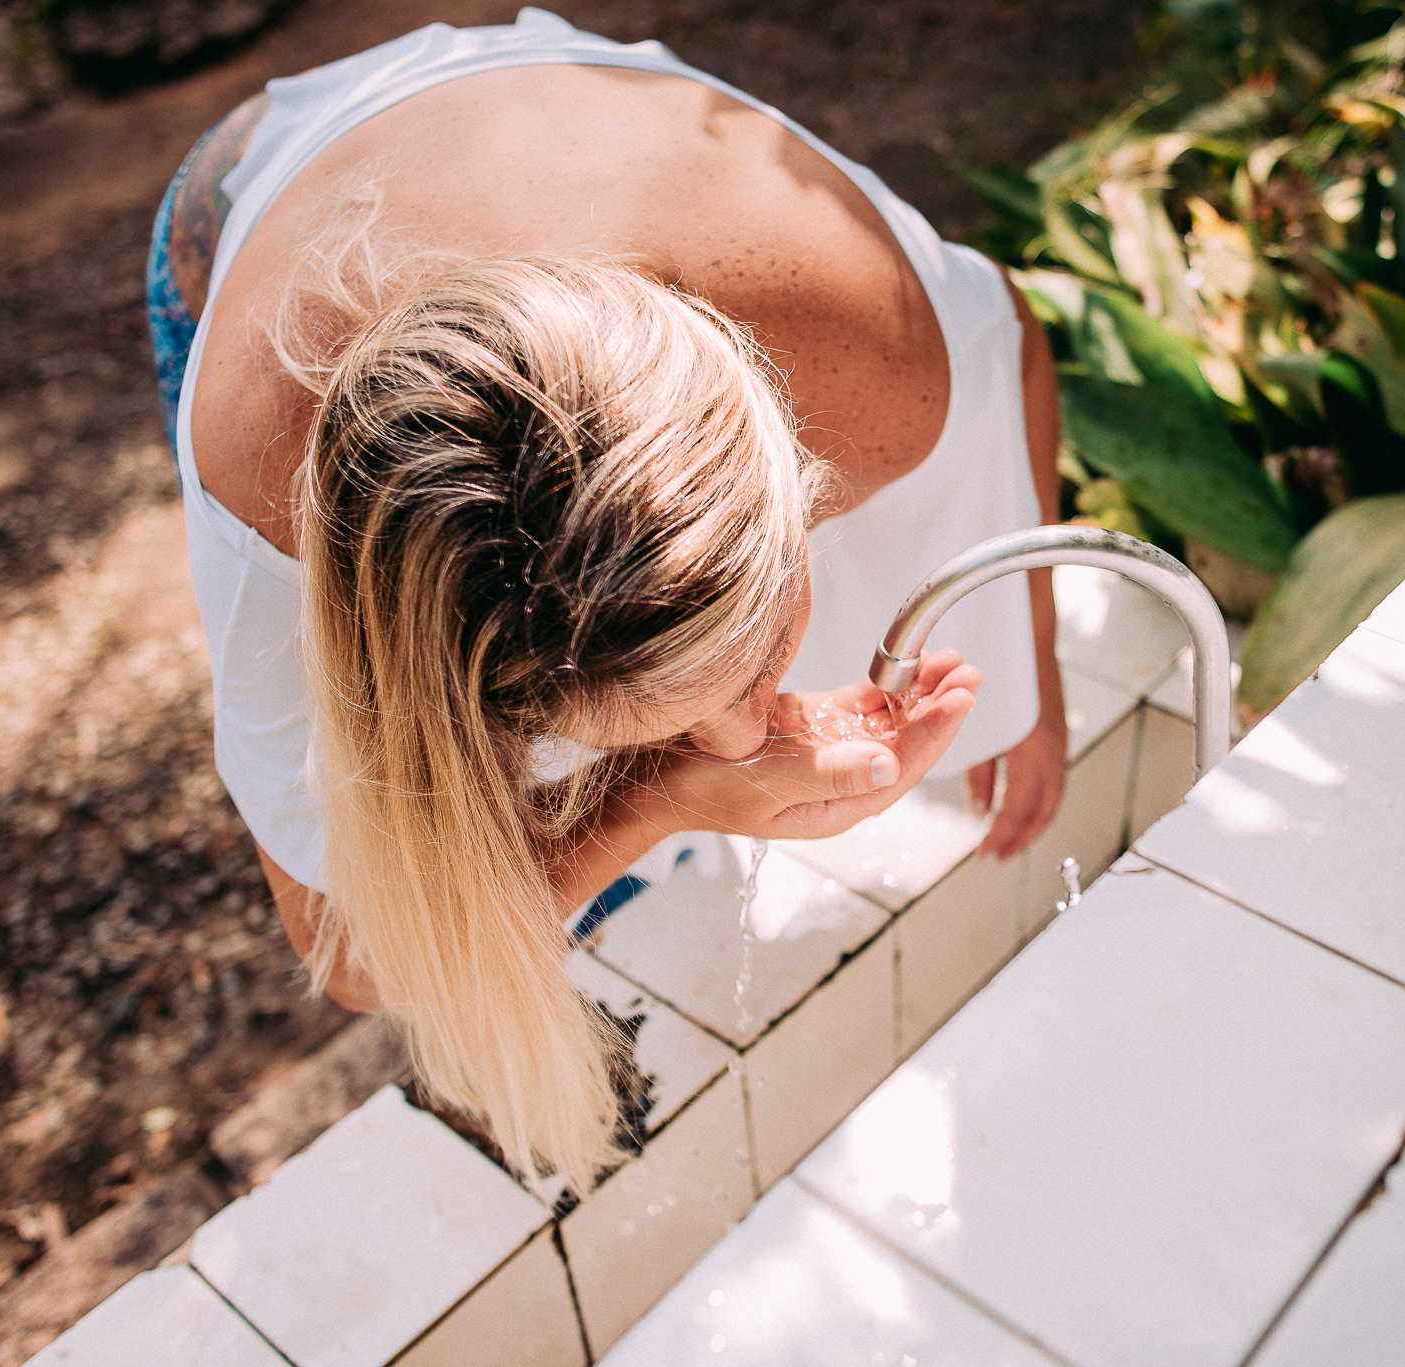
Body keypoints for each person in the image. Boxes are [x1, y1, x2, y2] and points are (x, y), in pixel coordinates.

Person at [148, 9, 1066, 1184]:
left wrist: (1028, 669)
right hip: (238, 209)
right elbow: (354, 945)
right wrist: (653, 803)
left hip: (571, 142)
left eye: (741, 672)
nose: (748, 732)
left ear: (801, 475)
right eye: (652, 726)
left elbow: (1017, 344)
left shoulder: (861, 335)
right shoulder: (272, 507)